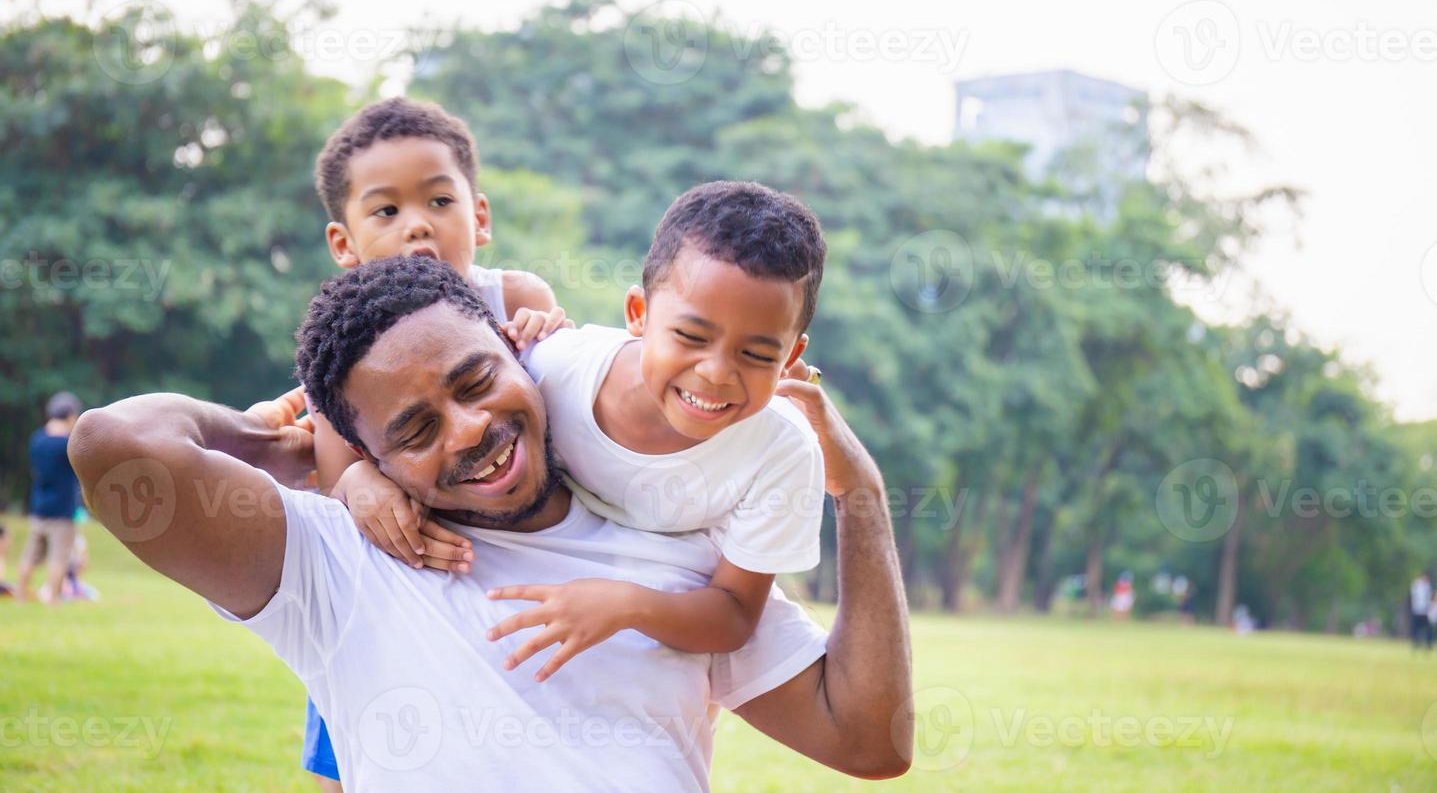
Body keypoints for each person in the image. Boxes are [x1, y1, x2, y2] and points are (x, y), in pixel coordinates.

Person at [69, 257, 914, 788]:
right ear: (368, 456)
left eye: (477, 381)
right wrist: (288, 449)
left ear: (520, 351)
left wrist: (864, 496)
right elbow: (114, 445)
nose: (470, 429)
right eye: (415, 429)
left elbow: (869, 741)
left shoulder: (679, 558)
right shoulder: (332, 564)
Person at [343, 180, 827, 672]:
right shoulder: (552, 370)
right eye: (689, 336)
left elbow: (736, 616)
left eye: (756, 355)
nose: (716, 373)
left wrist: (626, 606)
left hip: (677, 600)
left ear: (790, 358)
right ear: (638, 313)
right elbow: (403, 423)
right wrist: (359, 479)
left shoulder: (783, 451)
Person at [299, 95, 573, 788]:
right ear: (345, 243)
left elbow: (563, 409)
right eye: (386, 211)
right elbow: (340, 478)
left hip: (514, 558)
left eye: (439, 202)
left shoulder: (515, 296)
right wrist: (362, 483)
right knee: (359, 723)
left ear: (479, 216)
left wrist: (549, 337)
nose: (418, 226)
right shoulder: (347, 344)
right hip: (398, 573)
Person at [16, 391, 83, 604]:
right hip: (62, 510)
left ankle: (20, 595)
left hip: (38, 506)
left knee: (30, 555)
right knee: (58, 558)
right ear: (71, 415)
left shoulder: (37, 439)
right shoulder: (67, 444)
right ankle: (53, 599)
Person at [1410, 570, 1434, 650]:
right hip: (1417, 610)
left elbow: (1429, 598)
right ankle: (1416, 643)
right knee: (1416, 628)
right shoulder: (1416, 584)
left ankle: (1428, 644)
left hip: (1426, 611)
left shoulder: (1428, 586)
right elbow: (1414, 597)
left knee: (1427, 629)